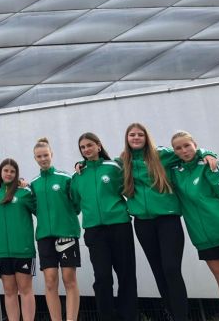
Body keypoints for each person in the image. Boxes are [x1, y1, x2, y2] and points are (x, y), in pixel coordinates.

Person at [121, 123, 216, 321]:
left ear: (146, 137)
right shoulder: (123, 161)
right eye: (132, 135)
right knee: (159, 272)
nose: (136, 137)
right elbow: (100, 162)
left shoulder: (162, 155)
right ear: (127, 139)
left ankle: (182, 316)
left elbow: (188, 151)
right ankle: (172, 315)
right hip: (143, 224)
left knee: (171, 269)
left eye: (140, 134)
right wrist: (81, 164)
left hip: (168, 221)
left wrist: (208, 153)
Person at [70, 133, 137, 321]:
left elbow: (129, 189)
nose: (86, 149)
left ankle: (129, 317)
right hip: (94, 231)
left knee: (126, 274)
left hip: (119, 226)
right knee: (102, 277)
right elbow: (74, 203)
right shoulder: (78, 176)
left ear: (99, 146)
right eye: (82, 147)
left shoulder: (113, 167)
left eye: (89, 145)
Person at [170, 131, 219, 309]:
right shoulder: (175, 173)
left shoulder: (210, 164)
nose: (184, 150)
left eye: (187, 145)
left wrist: (206, 153)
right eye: (178, 148)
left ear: (195, 144)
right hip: (203, 237)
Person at [31, 138, 81, 321]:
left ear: (51, 154)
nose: (43, 159)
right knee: (50, 281)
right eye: (39, 156)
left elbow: (76, 204)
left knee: (69, 279)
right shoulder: (33, 184)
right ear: (35, 158)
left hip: (66, 233)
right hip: (44, 236)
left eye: (45, 155)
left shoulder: (65, 178)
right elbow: (34, 207)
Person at [0, 158, 36, 321]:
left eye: (12, 171)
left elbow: (41, 208)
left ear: (17, 174)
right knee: (9, 292)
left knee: (25, 290)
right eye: (6, 170)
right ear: (0, 173)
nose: (9, 174)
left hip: (23, 250)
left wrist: (29, 186)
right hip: (2, 251)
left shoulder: (24, 193)